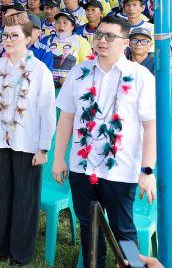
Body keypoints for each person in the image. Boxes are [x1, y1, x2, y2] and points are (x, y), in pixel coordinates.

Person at [53, 15, 156, 268]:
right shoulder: (79, 72)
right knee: (90, 229)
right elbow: (66, 117)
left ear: (125, 42)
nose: (102, 41)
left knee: (124, 232)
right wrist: (58, 158)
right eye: (99, 35)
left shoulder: (140, 76)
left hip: (121, 170)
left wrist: (147, 170)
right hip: (82, 167)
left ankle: (135, 266)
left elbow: (150, 125)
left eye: (111, 36)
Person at [0, 11, 56, 266]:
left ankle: (21, 254)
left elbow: (47, 112)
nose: (8, 40)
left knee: (25, 198)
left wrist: (44, 148)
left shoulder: (40, 70)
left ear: (29, 38)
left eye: (15, 36)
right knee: (1, 193)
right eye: (5, 35)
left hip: (27, 143)